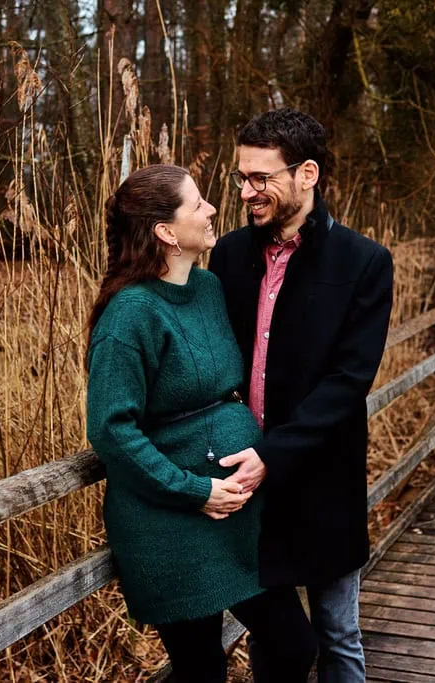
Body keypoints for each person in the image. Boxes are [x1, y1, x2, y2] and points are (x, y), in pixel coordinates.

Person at [85, 164, 317, 683]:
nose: (213, 209)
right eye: (197, 204)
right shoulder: (129, 316)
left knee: (294, 644)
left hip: (239, 516)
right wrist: (194, 490)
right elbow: (111, 430)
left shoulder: (209, 289)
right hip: (172, 522)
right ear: (167, 232)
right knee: (202, 669)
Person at [208, 109, 394, 683]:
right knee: (276, 637)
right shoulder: (230, 255)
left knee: (337, 635)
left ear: (307, 173)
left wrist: (275, 453)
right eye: (242, 178)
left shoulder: (363, 262)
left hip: (322, 479)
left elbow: (348, 382)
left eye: (261, 178)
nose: (247, 191)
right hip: (247, 480)